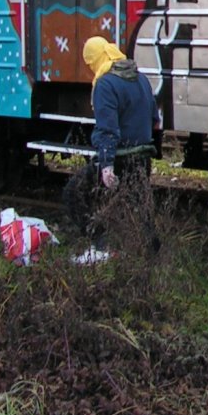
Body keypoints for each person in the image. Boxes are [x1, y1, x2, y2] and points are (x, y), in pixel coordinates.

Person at [63, 36, 158, 262]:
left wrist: (106, 166)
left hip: (120, 158)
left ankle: (101, 243)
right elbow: (155, 118)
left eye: (90, 63)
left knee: (73, 193)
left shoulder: (105, 84)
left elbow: (108, 130)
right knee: (139, 208)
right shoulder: (140, 78)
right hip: (142, 156)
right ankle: (151, 256)